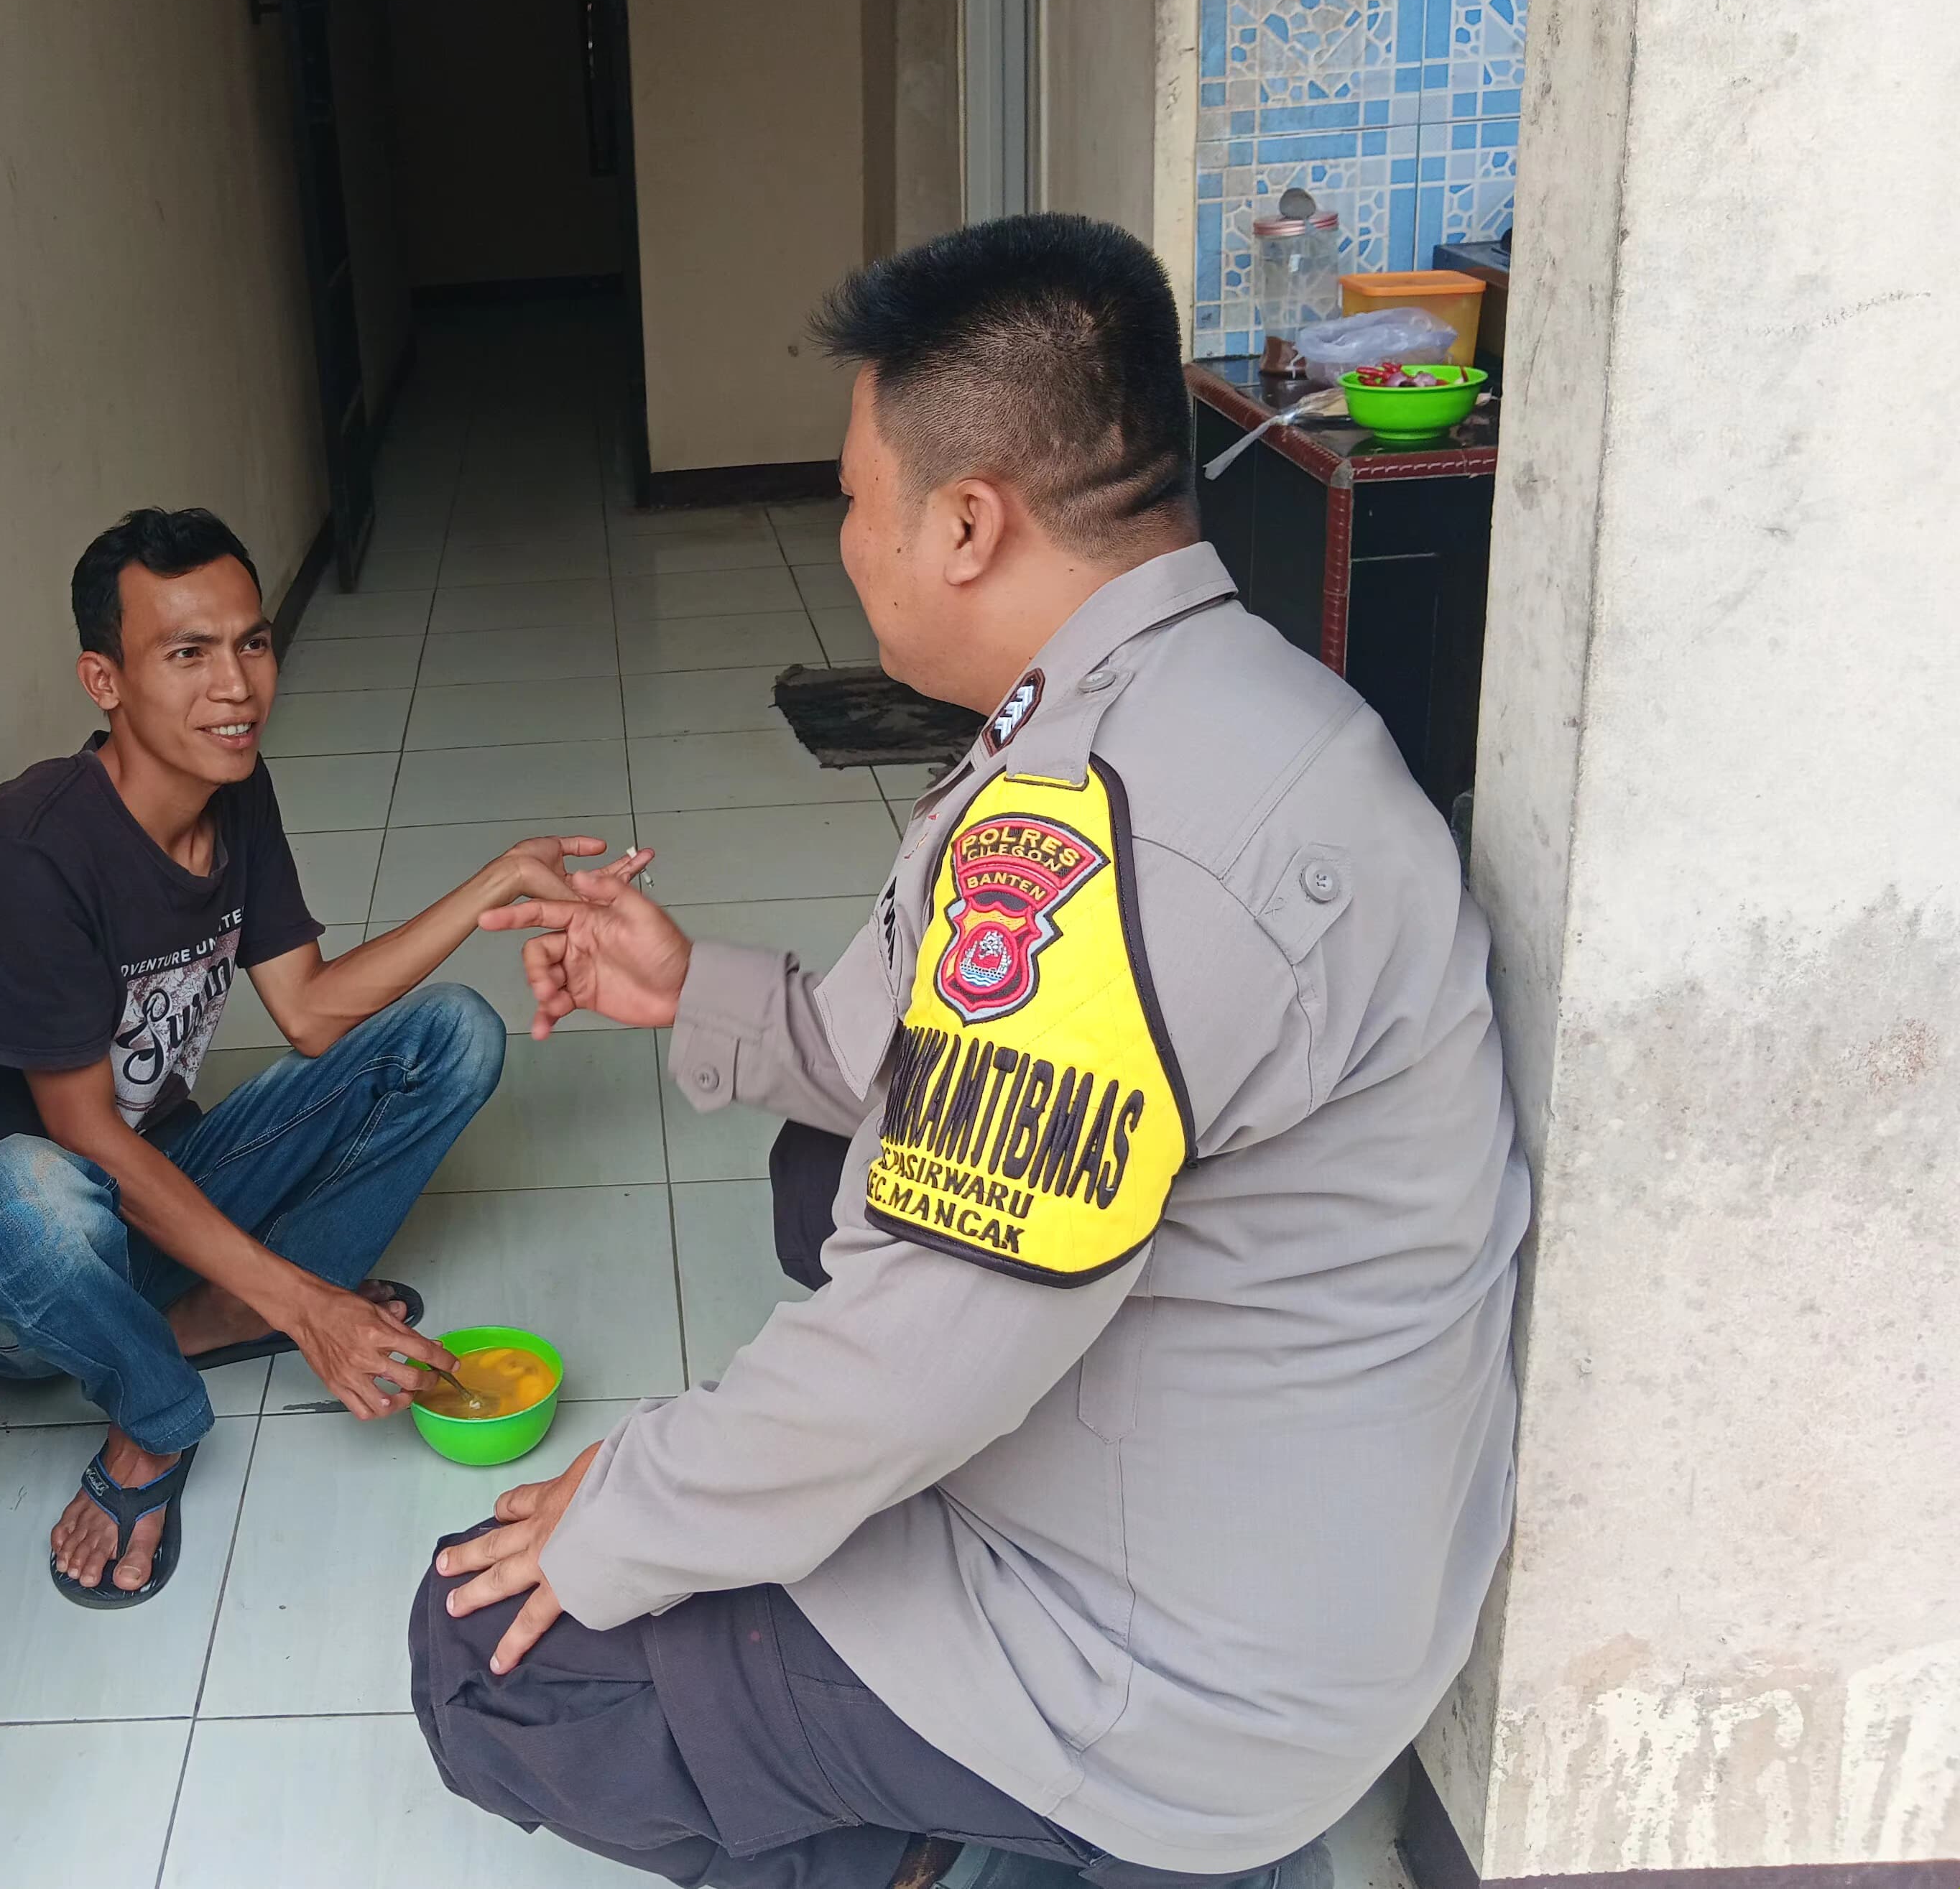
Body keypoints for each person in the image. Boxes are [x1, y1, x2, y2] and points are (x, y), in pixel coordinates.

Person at [410, 216, 1530, 1889]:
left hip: (1182, 1671)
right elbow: (913, 1069)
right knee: (824, 1179)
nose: (845, 540)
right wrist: (686, 983)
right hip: (1287, 1523)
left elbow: (912, 1362)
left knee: (490, 1663)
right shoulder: (1199, 699)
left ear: (964, 523)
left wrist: (625, 1507)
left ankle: (977, 1851)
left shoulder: (1117, 837)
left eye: (854, 500)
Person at [0, 507, 606, 1608]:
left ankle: (222, 1312)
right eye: (188, 654)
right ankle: (155, 1414)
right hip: (23, 1269)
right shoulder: (27, 858)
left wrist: (495, 884)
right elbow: (85, 1138)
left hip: (163, 1197)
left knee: (454, 1035)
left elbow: (312, 1014)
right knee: (34, 1187)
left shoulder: (232, 786)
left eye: (253, 643)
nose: (235, 687)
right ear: (104, 680)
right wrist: (314, 1307)